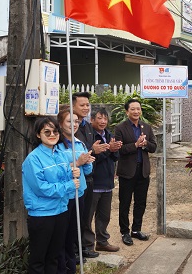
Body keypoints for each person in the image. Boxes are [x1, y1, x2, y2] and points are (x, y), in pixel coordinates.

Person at [22, 117, 79, 274]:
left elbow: (68, 179)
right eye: (47, 132)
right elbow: (42, 188)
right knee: (38, 259)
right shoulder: (33, 159)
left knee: (54, 256)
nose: (52, 134)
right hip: (42, 214)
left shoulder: (60, 154)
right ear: (38, 135)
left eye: (55, 131)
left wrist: (74, 173)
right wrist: (69, 185)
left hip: (60, 211)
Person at [56, 109, 95, 273]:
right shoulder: (56, 144)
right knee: (62, 235)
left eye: (76, 121)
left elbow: (87, 172)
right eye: (69, 121)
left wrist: (86, 162)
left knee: (74, 233)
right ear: (60, 124)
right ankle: (62, 267)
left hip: (79, 193)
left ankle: (71, 267)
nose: (73, 124)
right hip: (64, 197)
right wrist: (78, 162)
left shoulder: (80, 143)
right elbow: (56, 172)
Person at [115, 98, 157, 245]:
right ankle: (125, 232)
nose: (136, 111)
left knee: (141, 202)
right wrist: (135, 145)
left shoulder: (146, 127)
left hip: (143, 171)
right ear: (127, 112)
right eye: (132, 109)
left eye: (138, 109)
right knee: (125, 203)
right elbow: (119, 150)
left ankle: (136, 229)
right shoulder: (120, 128)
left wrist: (145, 144)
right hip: (127, 171)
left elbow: (154, 147)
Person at [89, 107, 122, 252]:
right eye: (99, 118)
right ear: (91, 120)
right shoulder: (89, 137)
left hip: (108, 183)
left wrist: (114, 150)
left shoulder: (109, 135)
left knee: (104, 215)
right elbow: (92, 158)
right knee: (88, 216)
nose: (103, 121)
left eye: (105, 118)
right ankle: (87, 245)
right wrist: (108, 150)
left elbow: (115, 157)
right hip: (94, 183)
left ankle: (102, 241)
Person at [71, 91, 99, 258]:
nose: (86, 108)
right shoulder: (69, 127)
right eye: (82, 105)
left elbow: (89, 149)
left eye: (87, 105)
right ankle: (74, 250)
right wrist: (92, 150)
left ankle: (83, 247)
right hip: (75, 178)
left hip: (89, 176)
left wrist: (96, 150)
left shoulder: (87, 126)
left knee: (86, 215)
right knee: (75, 216)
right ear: (72, 106)